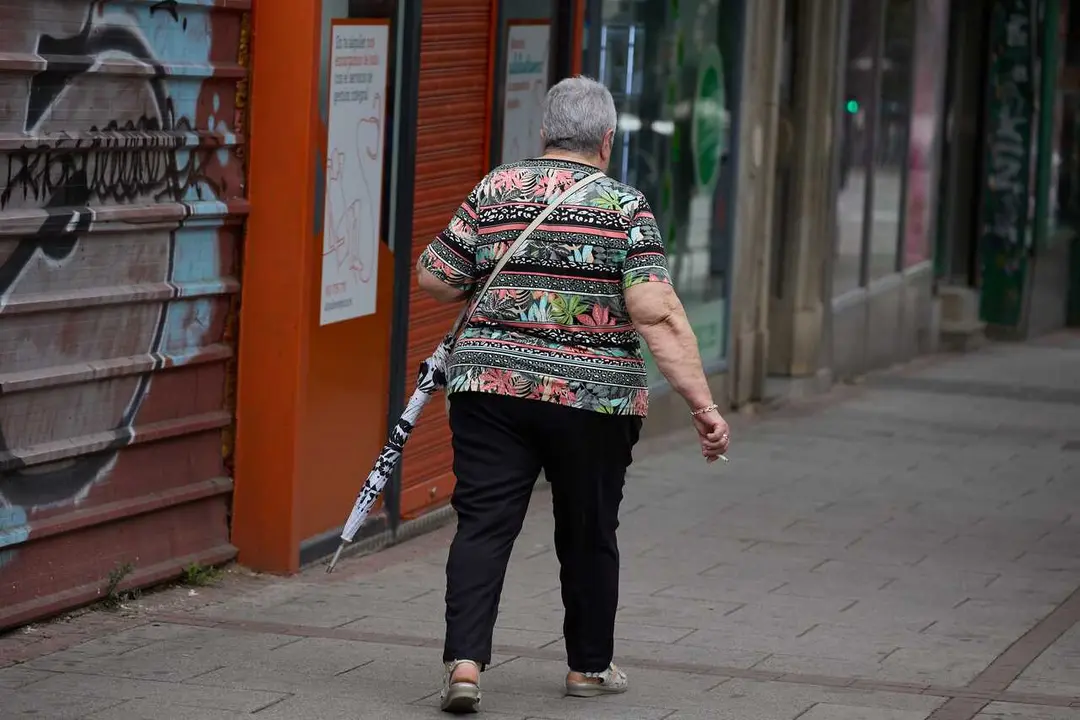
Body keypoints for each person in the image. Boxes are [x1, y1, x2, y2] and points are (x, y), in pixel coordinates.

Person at [416, 75, 731, 714]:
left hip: (492, 387)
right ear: (607, 140)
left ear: (544, 132)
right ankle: (587, 668)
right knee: (588, 529)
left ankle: (467, 666)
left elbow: (435, 279)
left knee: (482, 524)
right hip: (592, 402)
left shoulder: (496, 189)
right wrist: (704, 406)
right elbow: (656, 315)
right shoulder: (625, 207)